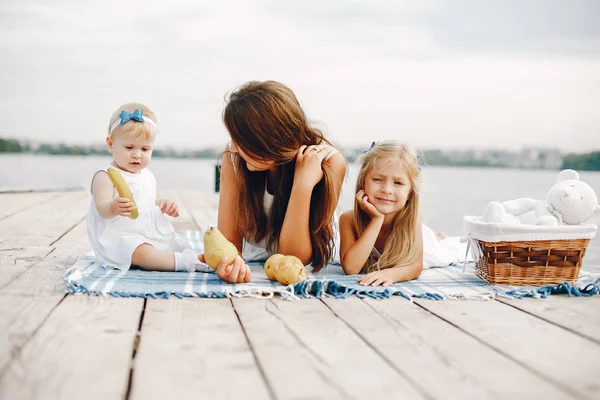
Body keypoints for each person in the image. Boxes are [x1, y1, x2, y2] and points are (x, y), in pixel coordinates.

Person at [200, 80, 347, 283]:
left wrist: (302, 185)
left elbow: (294, 258)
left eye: (240, 140)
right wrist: (229, 267)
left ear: (268, 140)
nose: (232, 148)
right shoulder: (234, 160)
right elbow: (229, 247)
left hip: (308, 265)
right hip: (259, 263)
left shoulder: (328, 162)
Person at [86, 102, 216, 277]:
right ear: (110, 144)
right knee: (142, 253)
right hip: (119, 236)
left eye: (145, 149)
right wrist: (113, 207)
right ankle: (182, 263)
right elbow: (102, 207)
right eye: (129, 147)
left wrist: (161, 204)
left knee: (178, 243)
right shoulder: (106, 176)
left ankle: (187, 257)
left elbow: (145, 201)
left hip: (145, 231)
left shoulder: (146, 174)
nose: (137, 154)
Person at [339, 141, 459, 287]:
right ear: (363, 182)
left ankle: (438, 238)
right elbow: (351, 268)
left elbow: (415, 266)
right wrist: (376, 220)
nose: (387, 189)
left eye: (398, 183)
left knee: (444, 252)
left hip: (424, 247)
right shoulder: (348, 219)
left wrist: (392, 274)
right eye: (377, 179)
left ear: (409, 193)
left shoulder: (412, 221)